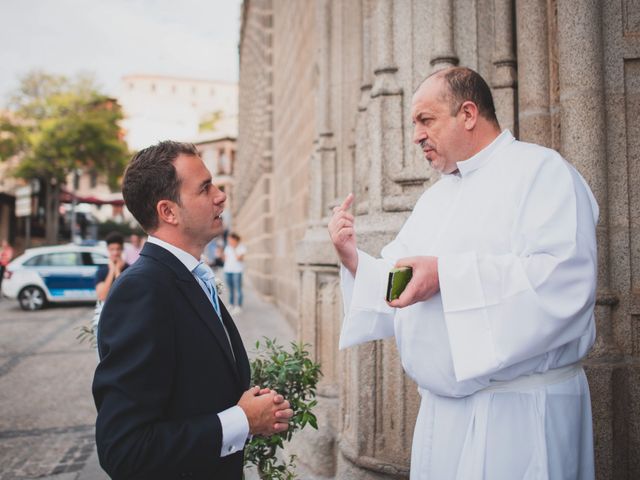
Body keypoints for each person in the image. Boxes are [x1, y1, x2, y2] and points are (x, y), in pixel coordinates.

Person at [328, 67, 598, 479]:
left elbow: (564, 283)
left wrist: (447, 277)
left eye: (425, 120)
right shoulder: (436, 199)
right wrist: (353, 259)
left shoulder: (542, 172)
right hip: (443, 420)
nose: (416, 135)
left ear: (468, 114)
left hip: (518, 417)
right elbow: (400, 279)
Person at [93, 141, 293, 479]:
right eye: (205, 188)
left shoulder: (190, 275)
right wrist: (241, 421)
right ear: (168, 212)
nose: (220, 196)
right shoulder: (142, 289)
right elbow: (124, 450)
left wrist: (253, 409)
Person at [95, 232, 129, 302]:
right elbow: (102, 296)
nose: (115, 253)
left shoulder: (130, 269)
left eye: (118, 249)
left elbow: (124, 294)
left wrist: (117, 271)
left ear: (122, 249)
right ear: (108, 249)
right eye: (112, 249)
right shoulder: (101, 271)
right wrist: (112, 270)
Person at [222, 232, 246, 314]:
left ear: (235, 239)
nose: (229, 241)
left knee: (238, 289)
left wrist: (234, 248)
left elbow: (239, 258)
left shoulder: (241, 247)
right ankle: (231, 304)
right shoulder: (227, 247)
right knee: (231, 289)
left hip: (237, 271)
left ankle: (239, 306)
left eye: (231, 239)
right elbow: (225, 258)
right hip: (228, 270)